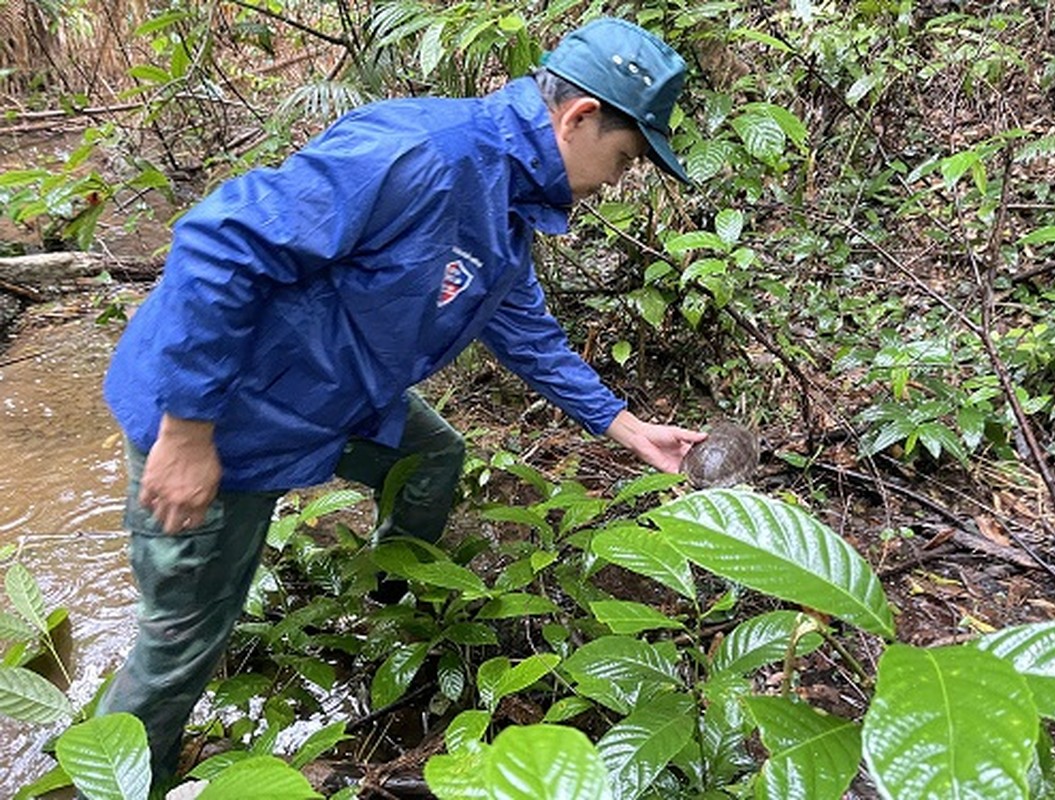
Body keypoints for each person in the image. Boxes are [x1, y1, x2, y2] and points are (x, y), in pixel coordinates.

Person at [98, 16, 706, 785]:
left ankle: (391, 589)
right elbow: (221, 244)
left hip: (326, 396)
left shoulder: (507, 200)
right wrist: (186, 434)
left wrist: (625, 426)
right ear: (577, 118)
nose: (618, 180)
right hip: (221, 415)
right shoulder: (423, 152)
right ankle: (109, 777)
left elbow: (522, 330)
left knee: (430, 455)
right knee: (182, 640)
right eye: (623, 159)